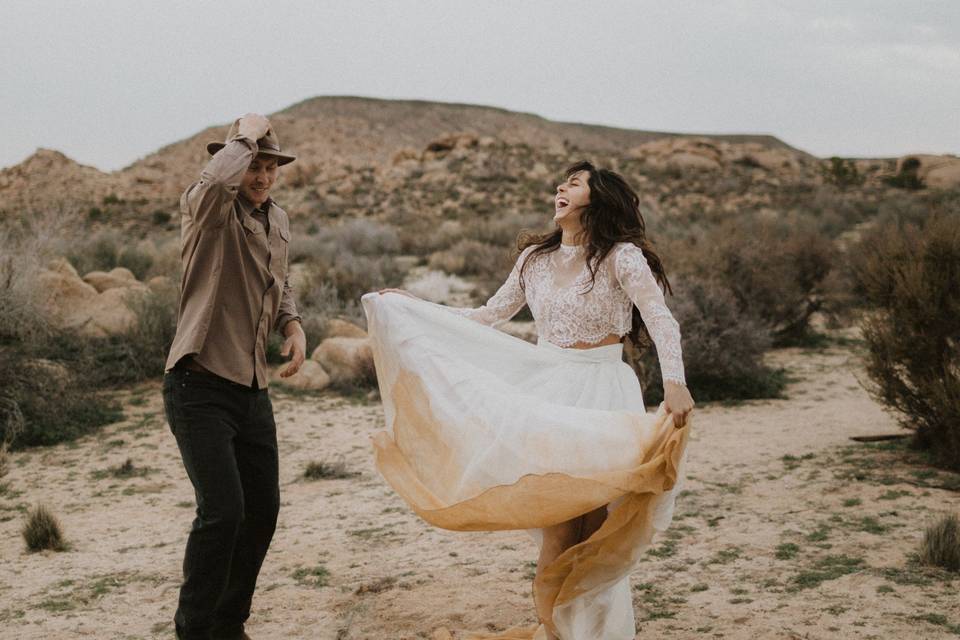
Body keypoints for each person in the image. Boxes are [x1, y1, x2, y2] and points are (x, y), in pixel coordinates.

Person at [365, 160, 693, 639]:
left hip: (602, 392)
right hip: (548, 393)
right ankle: (555, 629)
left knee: (598, 525)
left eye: (574, 183)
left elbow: (661, 319)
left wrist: (675, 381)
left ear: (597, 200)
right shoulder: (534, 261)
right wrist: (415, 307)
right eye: (563, 181)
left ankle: (593, 631)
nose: (561, 187)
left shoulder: (621, 257)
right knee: (559, 523)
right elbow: (486, 316)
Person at [162, 113, 306, 640]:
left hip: (251, 389)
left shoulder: (279, 219)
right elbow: (212, 184)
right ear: (235, 165)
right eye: (253, 165)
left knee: (261, 511)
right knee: (223, 512)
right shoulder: (208, 210)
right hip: (198, 383)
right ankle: (194, 630)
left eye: (269, 166)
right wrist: (244, 135)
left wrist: (292, 324)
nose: (262, 175)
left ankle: (228, 624)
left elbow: (280, 278)